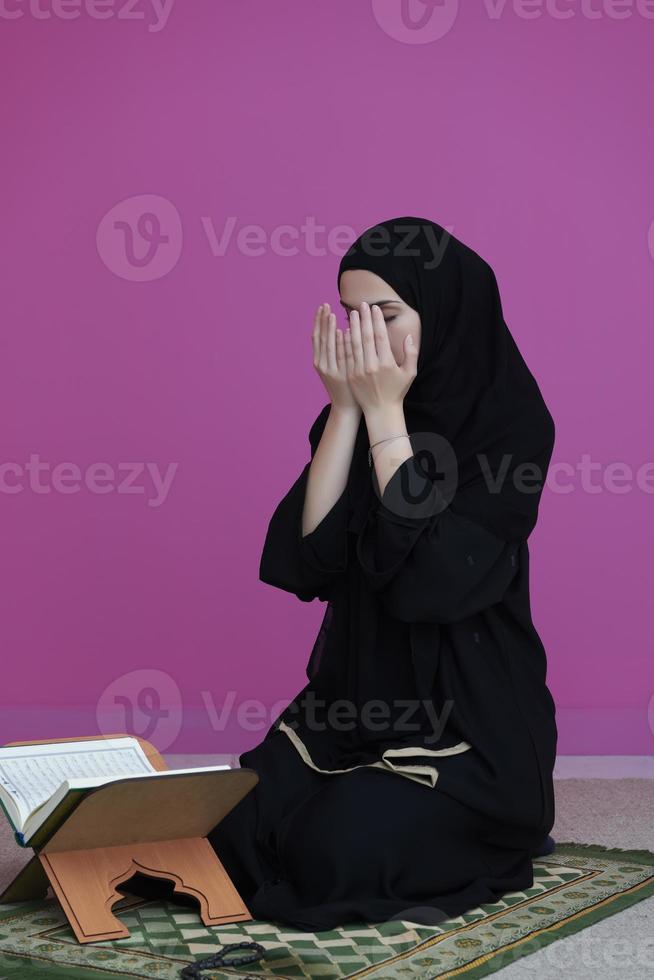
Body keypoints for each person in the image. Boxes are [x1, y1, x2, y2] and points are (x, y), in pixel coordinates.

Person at [127, 216, 558, 931]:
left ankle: (496, 826)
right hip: (351, 713)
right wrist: (345, 410)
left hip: (470, 730)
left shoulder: (509, 425)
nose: (366, 336)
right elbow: (311, 559)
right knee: (227, 829)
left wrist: (387, 416)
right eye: (352, 315)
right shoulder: (354, 419)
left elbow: (441, 579)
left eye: (387, 314)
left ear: (445, 311)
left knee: (337, 847)